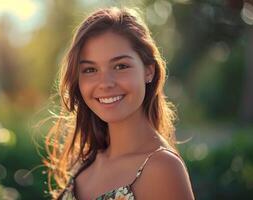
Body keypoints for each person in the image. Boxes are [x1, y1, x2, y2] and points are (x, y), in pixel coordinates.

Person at [43, 7, 195, 200]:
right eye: (90, 70)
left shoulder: (162, 168)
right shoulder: (87, 162)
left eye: (120, 66)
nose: (105, 83)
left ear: (148, 71)